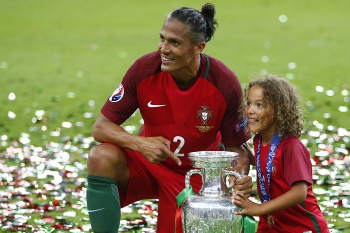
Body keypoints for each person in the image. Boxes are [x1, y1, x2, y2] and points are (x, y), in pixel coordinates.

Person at [86, 3, 254, 233]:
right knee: (100, 157)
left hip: (195, 176)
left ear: (199, 47)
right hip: (148, 163)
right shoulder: (144, 69)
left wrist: (240, 177)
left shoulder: (224, 83)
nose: (163, 48)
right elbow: (101, 127)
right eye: (162, 38)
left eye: (174, 42)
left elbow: (237, 148)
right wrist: (140, 143)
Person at [234, 75, 329, 232]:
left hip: (301, 226)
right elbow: (265, 162)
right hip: (272, 224)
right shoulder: (259, 140)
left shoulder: (291, 147)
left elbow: (300, 192)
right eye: (249, 103)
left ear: (279, 110)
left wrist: (259, 208)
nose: (250, 110)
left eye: (259, 105)